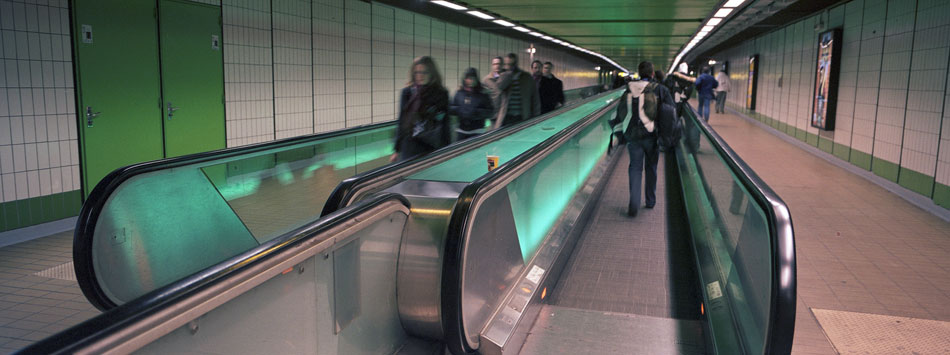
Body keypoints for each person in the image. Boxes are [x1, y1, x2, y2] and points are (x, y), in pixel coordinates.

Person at [611, 61, 674, 218]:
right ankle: (650, 201)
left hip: (633, 135)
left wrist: (619, 134)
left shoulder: (629, 88)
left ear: (639, 74)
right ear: (653, 74)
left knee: (635, 168)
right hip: (652, 136)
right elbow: (670, 113)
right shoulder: (661, 89)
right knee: (651, 168)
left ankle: (634, 202)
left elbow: (620, 112)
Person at [391, 56, 449, 162]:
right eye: (417, 72)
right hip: (409, 145)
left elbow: (445, 123)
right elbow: (402, 121)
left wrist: (448, 148)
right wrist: (397, 149)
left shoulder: (441, 93)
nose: (420, 76)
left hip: (431, 145)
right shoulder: (407, 92)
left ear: (432, 73)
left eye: (424, 72)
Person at [495, 53, 540, 128]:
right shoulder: (504, 76)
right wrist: (508, 74)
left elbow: (535, 98)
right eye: (507, 64)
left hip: (522, 116)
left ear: (516, 63)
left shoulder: (527, 77)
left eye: (512, 64)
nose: (510, 67)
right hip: (506, 117)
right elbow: (499, 88)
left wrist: (536, 116)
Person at [450, 68, 493, 140]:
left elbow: (490, 111)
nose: (471, 81)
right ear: (465, 79)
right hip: (461, 131)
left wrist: (475, 112)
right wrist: (461, 110)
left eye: (473, 78)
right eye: (469, 78)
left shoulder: (483, 93)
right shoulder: (460, 93)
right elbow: (452, 108)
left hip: (478, 131)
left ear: (476, 79)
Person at [481, 56, 509, 127]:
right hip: (493, 116)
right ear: (492, 66)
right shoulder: (487, 80)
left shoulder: (508, 78)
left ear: (502, 65)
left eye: (499, 64)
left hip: (508, 115)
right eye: (495, 64)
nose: (497, 66)